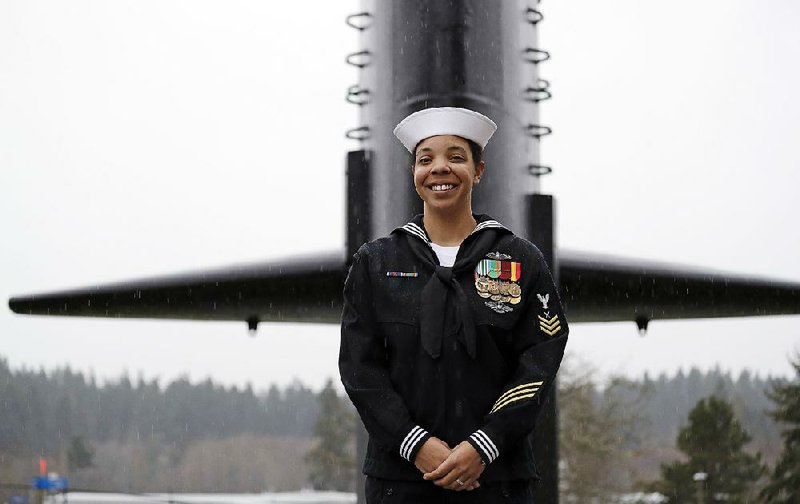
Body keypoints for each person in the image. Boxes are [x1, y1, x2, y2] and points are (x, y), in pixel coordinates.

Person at [339, 107, 568, 503]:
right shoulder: (375, 264)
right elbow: (360, 370)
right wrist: (415, 444)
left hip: (497, 482)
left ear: (478, 171)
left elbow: (540, 359)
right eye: (426, 159)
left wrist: (485, 444)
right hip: (401, 482)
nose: (440, 168)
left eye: (456, 157)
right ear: (414, 175)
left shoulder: (521, 261)